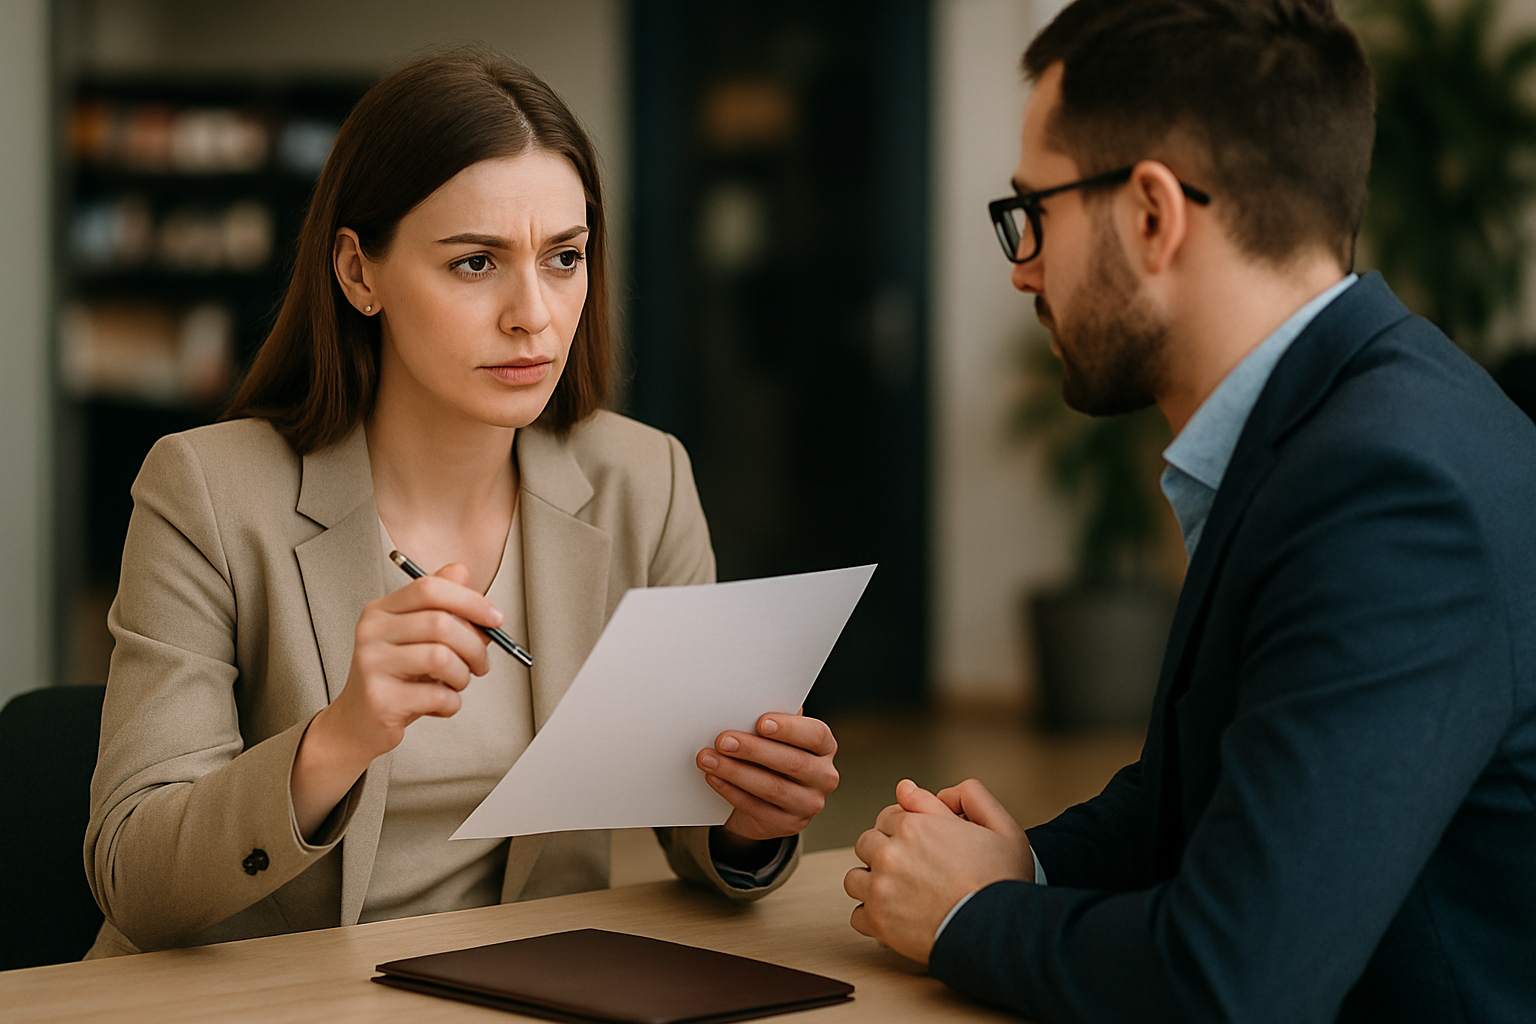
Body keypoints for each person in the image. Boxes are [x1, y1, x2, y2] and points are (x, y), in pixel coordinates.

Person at [846, 1, 1536, 1021]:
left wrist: (971, 914)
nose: (1022, 264)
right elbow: (1220, 785)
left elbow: (1231, 983)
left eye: (1034, 210)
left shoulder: (1391, 489)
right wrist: (1025, 860)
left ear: (1153, 215)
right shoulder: (1346, 417)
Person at [84, 48, 839, 958]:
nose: (535, 313)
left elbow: (692, 822)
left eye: (565, 257)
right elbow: (136, 879)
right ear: (358, 273)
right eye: (476, 263)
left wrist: (749, 820)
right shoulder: (206, 491)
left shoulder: (645, 481)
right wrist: (340, 737)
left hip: (532, 990)